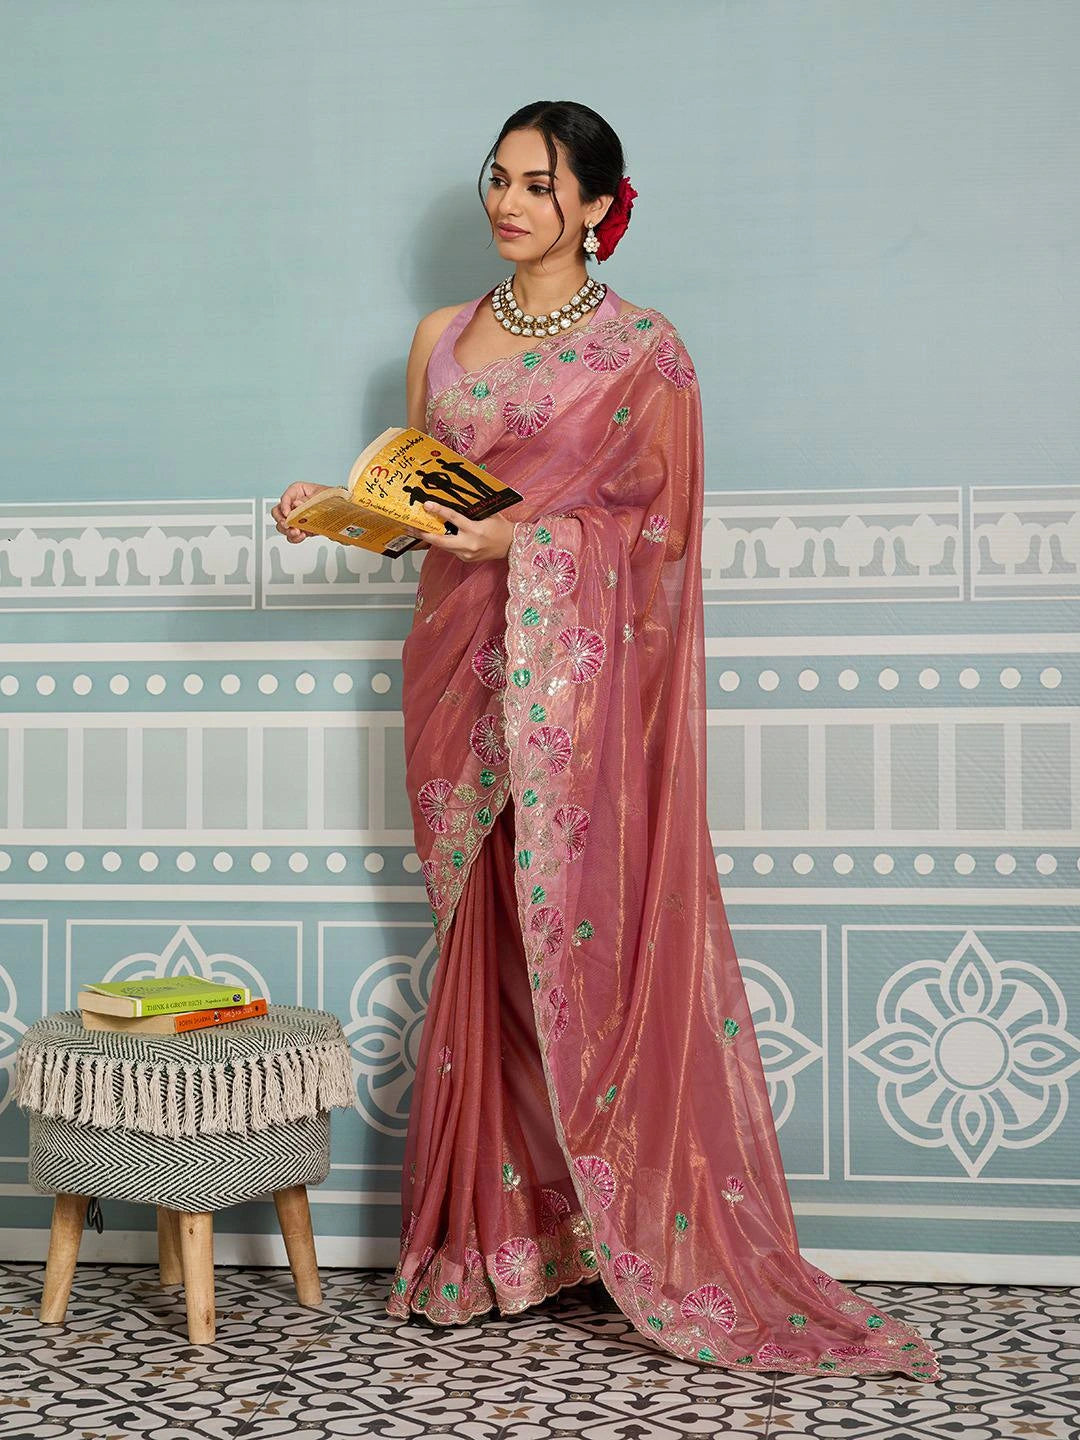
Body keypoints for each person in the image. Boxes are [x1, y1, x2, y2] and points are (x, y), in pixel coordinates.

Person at [273, 100, 941, 1382]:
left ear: (596, 207)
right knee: (486, 945)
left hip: (579, 693)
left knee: (588, 942)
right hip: (459, 677)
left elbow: (662, 537)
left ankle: (630, 1228)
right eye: (499, 178)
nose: (509, 202)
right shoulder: (444, 337)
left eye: (539, 184)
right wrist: (342, 509)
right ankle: (492, 1239)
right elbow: (427, 502)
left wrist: (527, 541)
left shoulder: (645, 354)